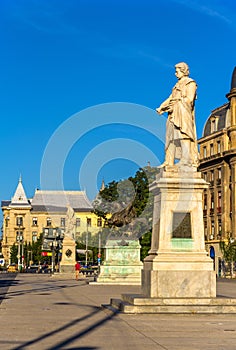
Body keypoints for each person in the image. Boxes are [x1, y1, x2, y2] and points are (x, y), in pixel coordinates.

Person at [156, 62, 199, 167]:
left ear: (183, 71)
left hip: (183, 112)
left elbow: (189, 100)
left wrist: (176, 103)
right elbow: (170, 98)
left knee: (184, 134)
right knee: (170, 137)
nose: (175, 74)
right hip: (173, 113)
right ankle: (169, 161)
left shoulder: (190, 83)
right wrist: (162, 107)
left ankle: (186, 159)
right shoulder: (176, 85)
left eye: (177, 71)